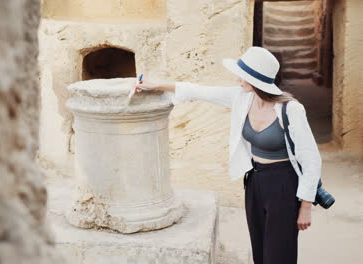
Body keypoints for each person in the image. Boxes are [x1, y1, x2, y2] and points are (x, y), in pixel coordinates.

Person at [134, 46, 322, 264]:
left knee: (279, 253)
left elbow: (311, 159)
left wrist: (306, 207)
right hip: (254, 179)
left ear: (255, 80)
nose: (237, 79)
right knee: (259, 249)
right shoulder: (242, 98)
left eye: (242, 75)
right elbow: (198, 90)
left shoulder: (291, 110)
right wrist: (155, 84)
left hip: (283, 183)